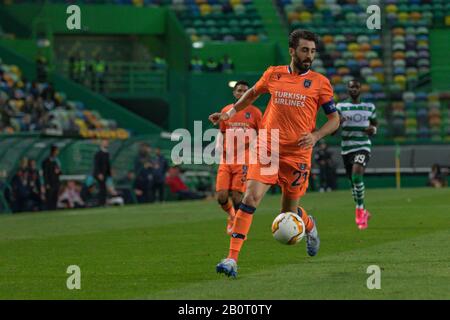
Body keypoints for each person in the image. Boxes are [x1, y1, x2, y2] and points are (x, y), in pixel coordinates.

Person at [209, 29, 340, 278]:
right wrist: (228, 113)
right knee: (250, 199)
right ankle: (231, 259)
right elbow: (252, 94)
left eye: (312, 51)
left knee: (288, 214)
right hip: (268, 148)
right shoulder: (274, 73)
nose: (308, 55)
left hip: (297, 155)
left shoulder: (321, 83)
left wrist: (315, 136)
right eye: (304, 50)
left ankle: (309, 224)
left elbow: (334, 120)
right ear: (292, 51)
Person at [215, 81, 262, 235]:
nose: (242, 94)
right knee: (221, 196)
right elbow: (222, 132)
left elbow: (262, 135)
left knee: (236, 197)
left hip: (244, 160)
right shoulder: (226, 111)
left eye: (245, 91)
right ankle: (232, 215)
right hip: (226, 159)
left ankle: (237, 225)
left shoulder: (255, 113)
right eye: (239, 91)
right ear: (234, 93)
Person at [336, 79, 377, 230]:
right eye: (351, 87)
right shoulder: (340, 107)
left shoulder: (369, 107)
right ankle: (364, 210)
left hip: (363, 146)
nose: (354, 89)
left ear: (360, 89)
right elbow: (333, 131)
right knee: (354, 186)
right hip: (347, 149)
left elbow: (375, 125)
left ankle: (359, 211)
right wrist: (338, 122)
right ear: (347, 89)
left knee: (357, 175)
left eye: (356, 86)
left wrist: (373, 130)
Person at [42, 145, 62, 210]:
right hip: (50, 183)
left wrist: (59, 172)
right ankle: (48, 210)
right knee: (49, 197)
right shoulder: (46, 161)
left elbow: (59, 171)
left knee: (55, 197)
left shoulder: (57, 161)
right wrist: (46, 183)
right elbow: (45, 173)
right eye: (57, 151)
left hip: (56, 182)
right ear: (53, 151)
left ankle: (54, 210)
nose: (57, 152)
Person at [93, 139, 112, 206]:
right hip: (100, 174)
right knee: (102, 188)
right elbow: (96, 164)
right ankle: (101, 203)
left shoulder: (107, 153)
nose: (106, 144)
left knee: (104, 188)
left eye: (107, 142)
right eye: (104, 142)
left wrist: (110, 173)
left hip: (105, 174)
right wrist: (99, 174)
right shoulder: (98, 154)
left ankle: (103, 202)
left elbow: (107, 165)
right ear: (101, 144)